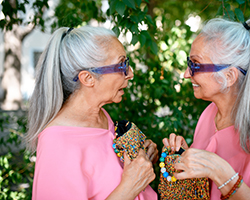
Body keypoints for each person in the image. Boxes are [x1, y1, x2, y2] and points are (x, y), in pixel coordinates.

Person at [163, 18, 250, 199]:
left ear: (229, 76)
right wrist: (187, 158)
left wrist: (221, 172)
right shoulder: (209, 113)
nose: (187, 74)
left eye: (195, 65)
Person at [25, 26, 158, 200]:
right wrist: (130, 187)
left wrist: (142, 159)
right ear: (88, 78)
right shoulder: (56, 142)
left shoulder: (101, 116)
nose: (130, 73)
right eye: (122, 65)